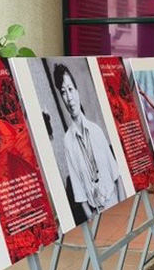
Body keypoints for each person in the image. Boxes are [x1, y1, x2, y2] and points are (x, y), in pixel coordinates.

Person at [53, 64, 126, 220]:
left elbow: (116, 175)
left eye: (70, 89)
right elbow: (78, 188)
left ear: (77, 91)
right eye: (63, 93)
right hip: (96, 213)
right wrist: (90, 216)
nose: (69, 98)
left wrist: (122, 204)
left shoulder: (96, 130)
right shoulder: (68, 141)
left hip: (114, 201)